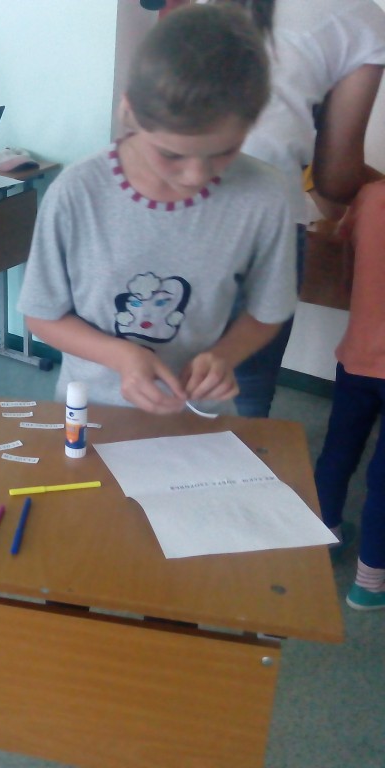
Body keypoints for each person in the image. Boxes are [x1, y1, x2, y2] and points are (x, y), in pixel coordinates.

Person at [17, 4, 296, 415]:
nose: (195, 175)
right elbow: (42, 316)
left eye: (224, 151)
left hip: (197, 415)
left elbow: (267, 312)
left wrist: (224, 356)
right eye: (171, 154)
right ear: (128, 111)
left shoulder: (264, 196)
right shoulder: (77, 192)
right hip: (93, 412)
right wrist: (122, 356)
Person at [213, 0, 385, 417]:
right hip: (262, 217)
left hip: (164, 200)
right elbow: (335, 178)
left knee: (153, 374)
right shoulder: (362, 19)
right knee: (246, 392)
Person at [314, 180, 385, 609]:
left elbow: (346, 261)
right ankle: (369, 584)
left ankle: (324, 536)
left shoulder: (372, 195)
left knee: (337, 452)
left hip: (358, 354)